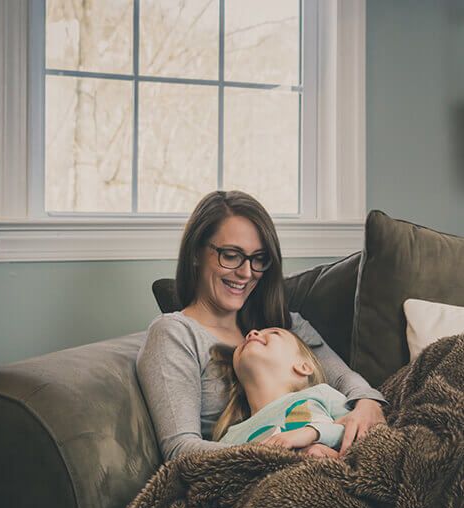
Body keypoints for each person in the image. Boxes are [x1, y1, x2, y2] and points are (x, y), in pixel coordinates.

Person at [136, 190, 386, 462]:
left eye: (258, 259)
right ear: (196, 253)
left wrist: (368, 404)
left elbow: (343, 380)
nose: (246, 273)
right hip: (257, 476)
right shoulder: (175, 334)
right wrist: (282, 452)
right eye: (231, 255)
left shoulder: (286, 325)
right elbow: (181, 449)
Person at [213, 328, 349, 458]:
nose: (252, 333)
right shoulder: (229, 437)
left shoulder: (321, 393)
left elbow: (359, 430)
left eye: (274, 333)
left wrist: (312, 433)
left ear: (303, 367)